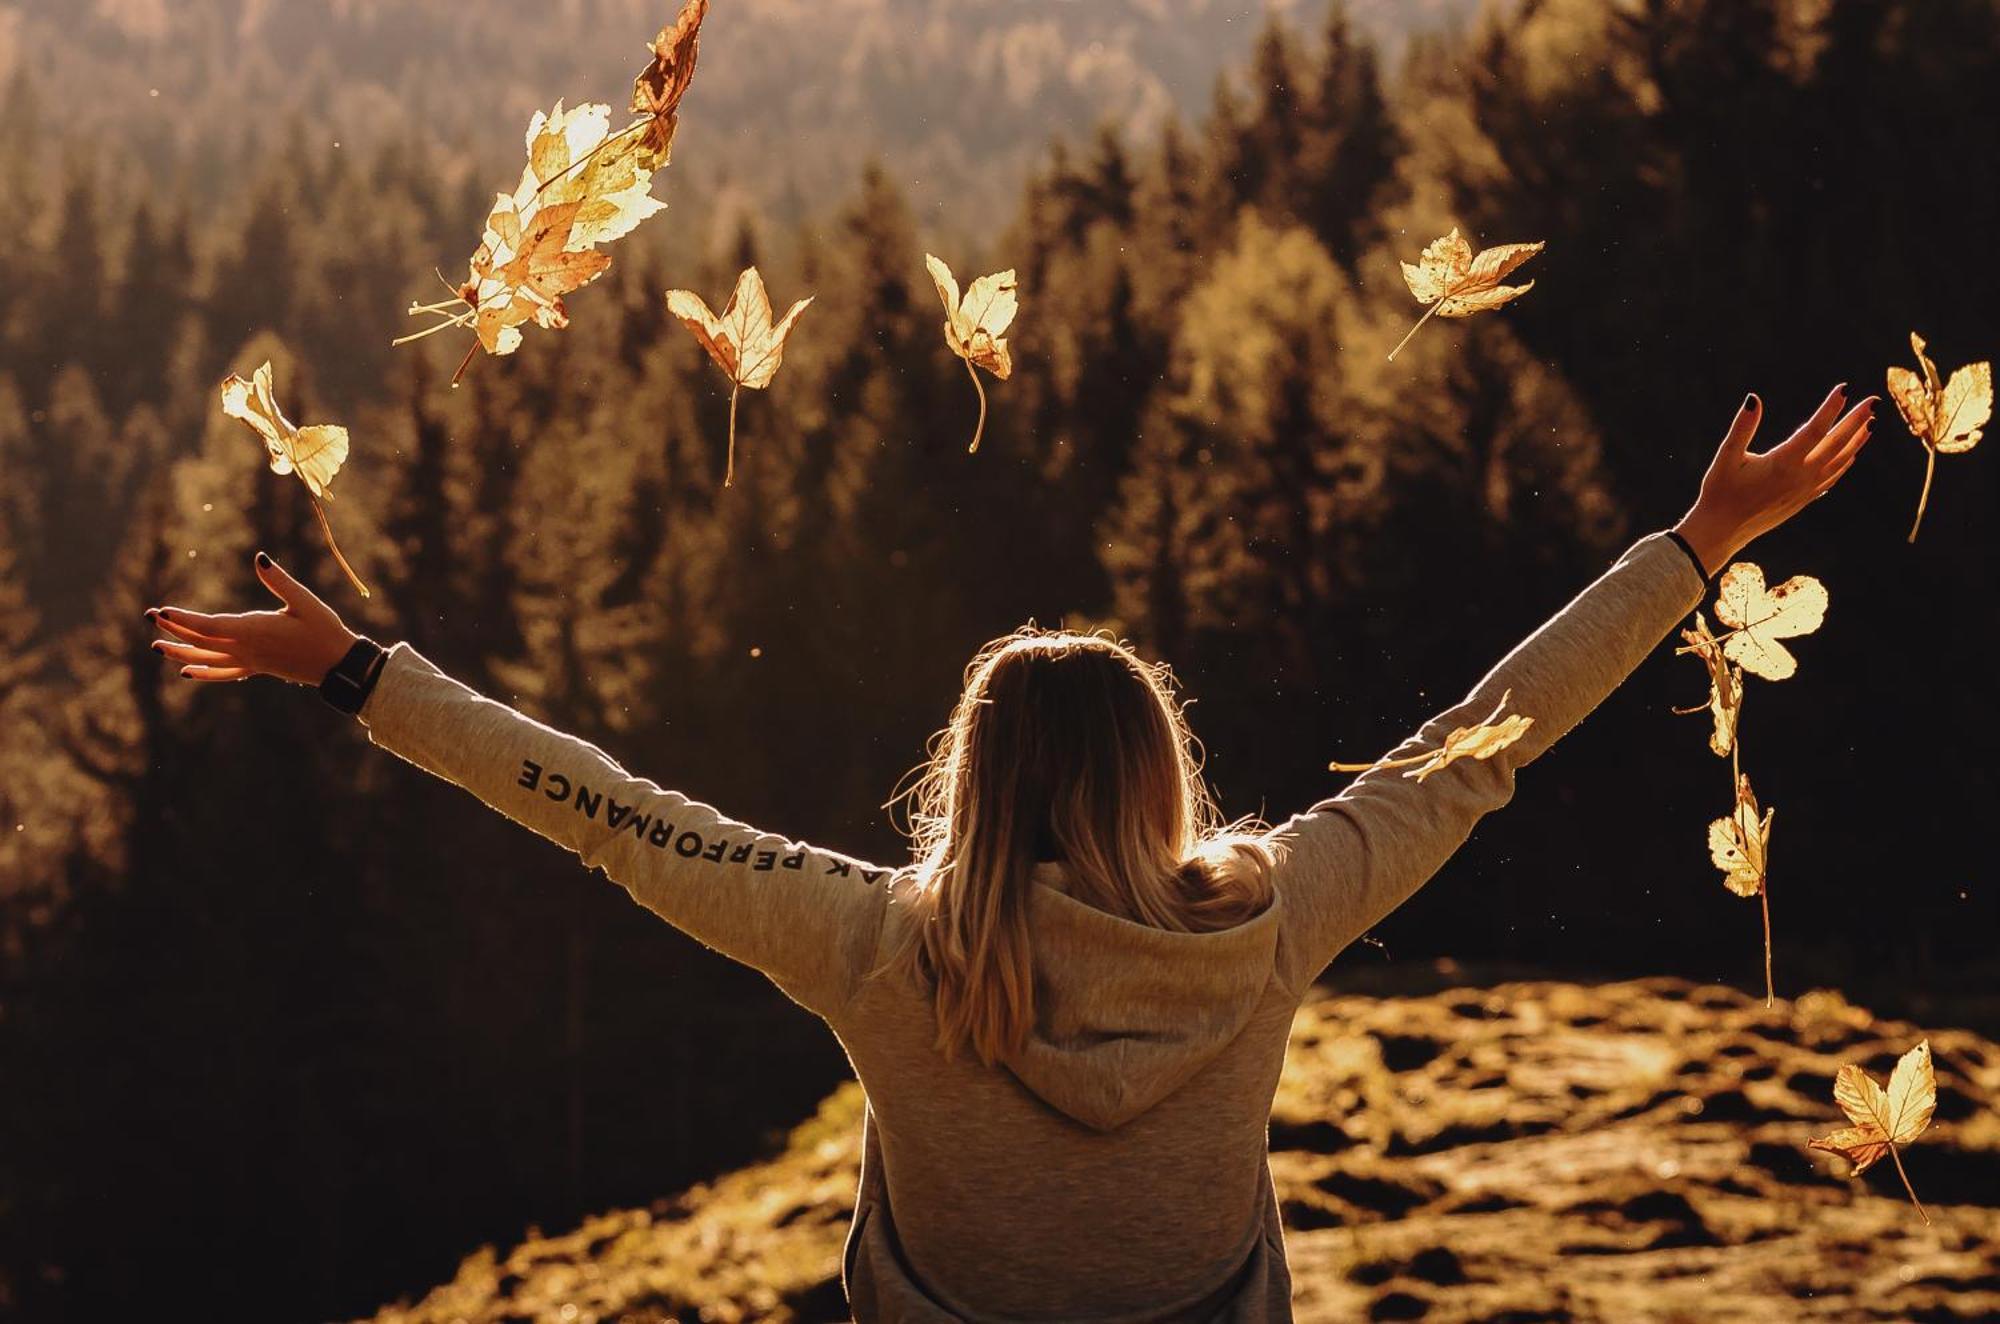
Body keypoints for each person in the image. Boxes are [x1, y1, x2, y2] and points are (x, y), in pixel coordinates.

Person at [149, 386, 1872, 1321]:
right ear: (1156, 776)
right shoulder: (1274, 919)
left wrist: (361, 675)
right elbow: (1485, 745)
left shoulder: (879, 947)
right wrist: (1700, 543)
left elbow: (599, 807)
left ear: (973, 785)